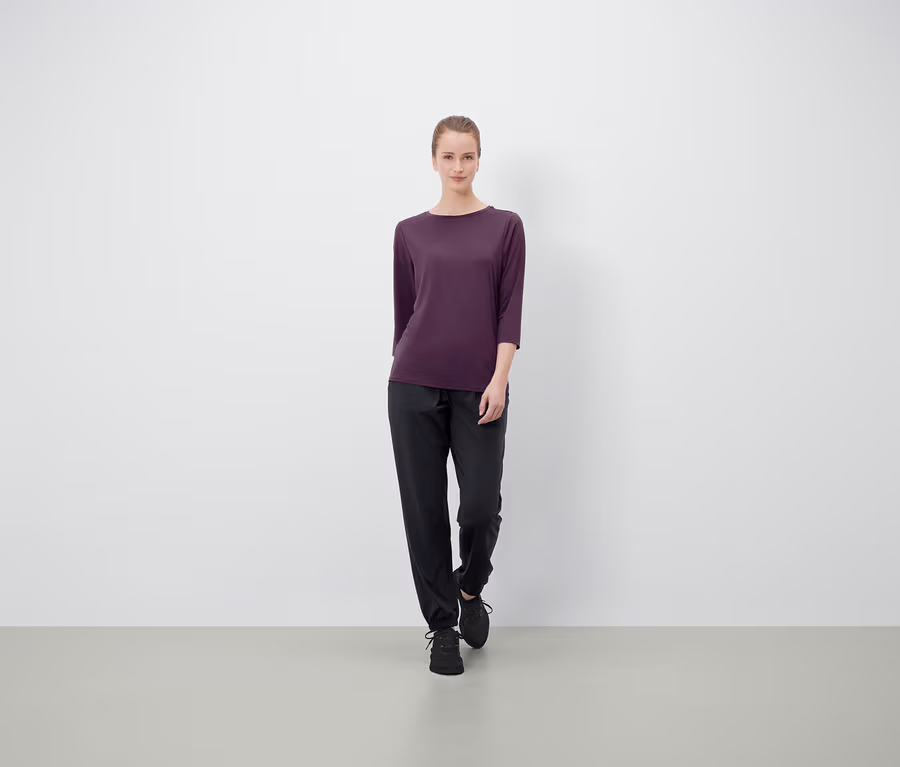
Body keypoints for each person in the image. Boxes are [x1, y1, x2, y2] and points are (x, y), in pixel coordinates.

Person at [387, 115, 527, 675]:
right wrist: (404, 370)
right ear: (433, 160)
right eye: (448, 156)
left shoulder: (505, 227)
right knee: (424, 511)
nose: (458, 166)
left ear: (479, 159)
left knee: (479, 507)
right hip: (413, 384)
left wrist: (499, 379)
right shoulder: (409, 232)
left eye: (467, 156)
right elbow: (404, 315)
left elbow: (509, 311)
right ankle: (442, 627)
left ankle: (469, 587)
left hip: (481, 386)